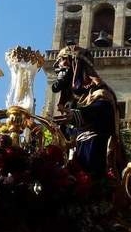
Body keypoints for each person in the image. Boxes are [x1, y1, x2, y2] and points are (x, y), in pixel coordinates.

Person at [50, 45, 125, 180]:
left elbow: (104, 109)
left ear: (76, 64)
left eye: (62, 60)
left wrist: (79, 115)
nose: (57, 66)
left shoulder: (99, 93)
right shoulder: (72, 101)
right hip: (74, 155)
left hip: (94, 149)